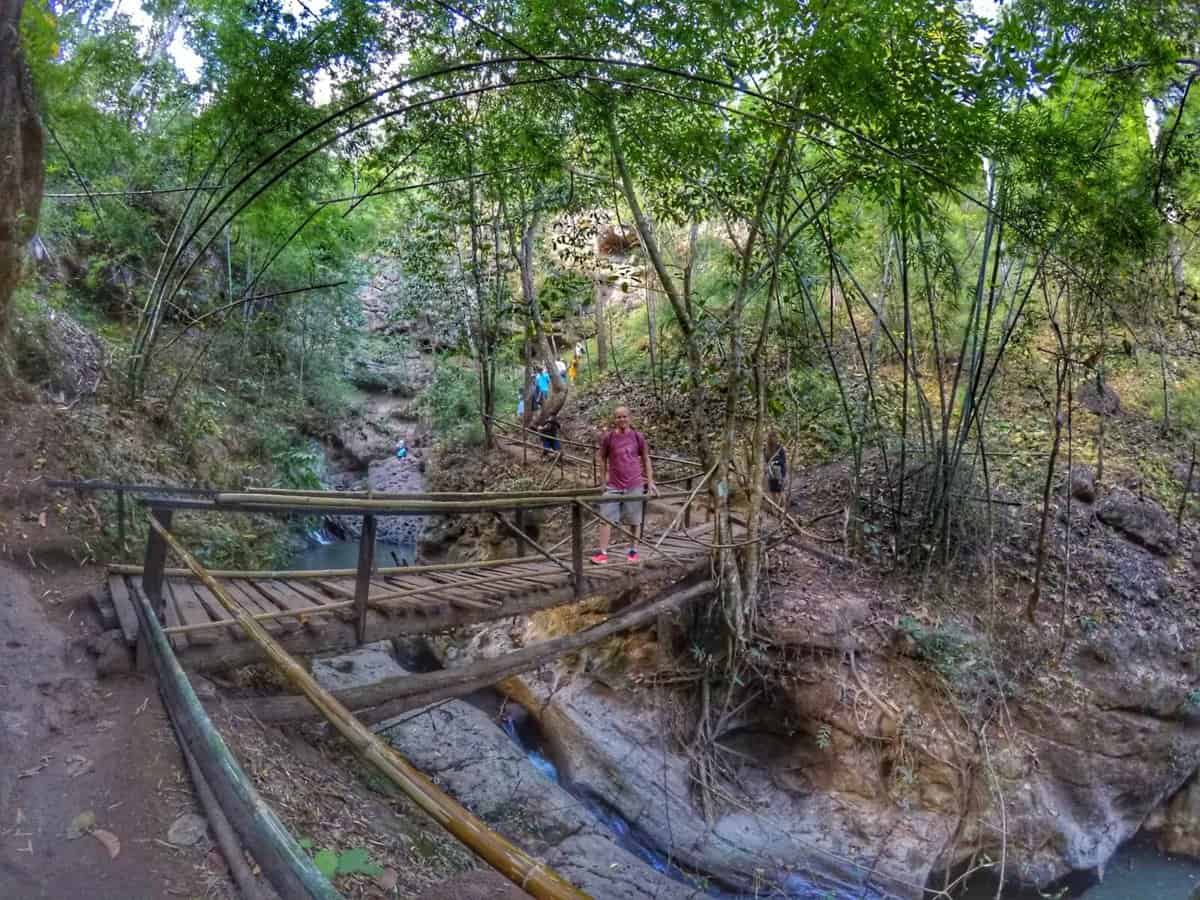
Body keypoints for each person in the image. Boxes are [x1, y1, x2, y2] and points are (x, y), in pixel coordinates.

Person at [592, 406, 657, 564]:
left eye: (624, 416)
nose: (621, 420)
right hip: (613, 485)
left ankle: (633, 552)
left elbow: (646, 458)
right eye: (618, 417)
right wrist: (602, 481)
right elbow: (601, 458)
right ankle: (603, 553)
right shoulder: (609, 438)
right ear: (615, 419)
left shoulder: (637, 437)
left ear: (630, 418)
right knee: (605, 518)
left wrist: (650, 481)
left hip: (634, 483)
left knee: (634, 520)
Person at [765, 429, 787, 500]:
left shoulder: (780, 449)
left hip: (780, 472)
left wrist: (775, 462)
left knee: (780, 491)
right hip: (771, 472)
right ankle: (775, 507)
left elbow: (783, 461)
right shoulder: (766, 450)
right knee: (773, 491)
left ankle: (782, 506)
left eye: (774, 437)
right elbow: (765, 460)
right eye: (771, 437)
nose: (773, 439)